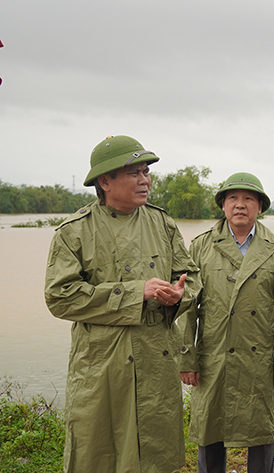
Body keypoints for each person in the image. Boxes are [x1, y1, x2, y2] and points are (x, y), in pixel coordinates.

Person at [44, 135, 199, 473]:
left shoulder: (163, 224)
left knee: (156, 456)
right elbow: (59, 297)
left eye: (146, 172)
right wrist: (133, 292)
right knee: (97, 453)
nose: (145, 180)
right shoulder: (74, 232)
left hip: (156, 360)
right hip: (101, 366)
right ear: (105, 181)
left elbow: (191, 277)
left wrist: (179, 295)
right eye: (134, 173)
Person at [179, 172, 274, 473]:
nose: (240, 205)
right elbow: (187, 307)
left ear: (259, 207)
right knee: (210, 431)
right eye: (233, 198)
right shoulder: (201, 246)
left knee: (261, 434)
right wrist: (186, 357)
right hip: (213, 356)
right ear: (223, 206)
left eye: (248, 199)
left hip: (261, 358)